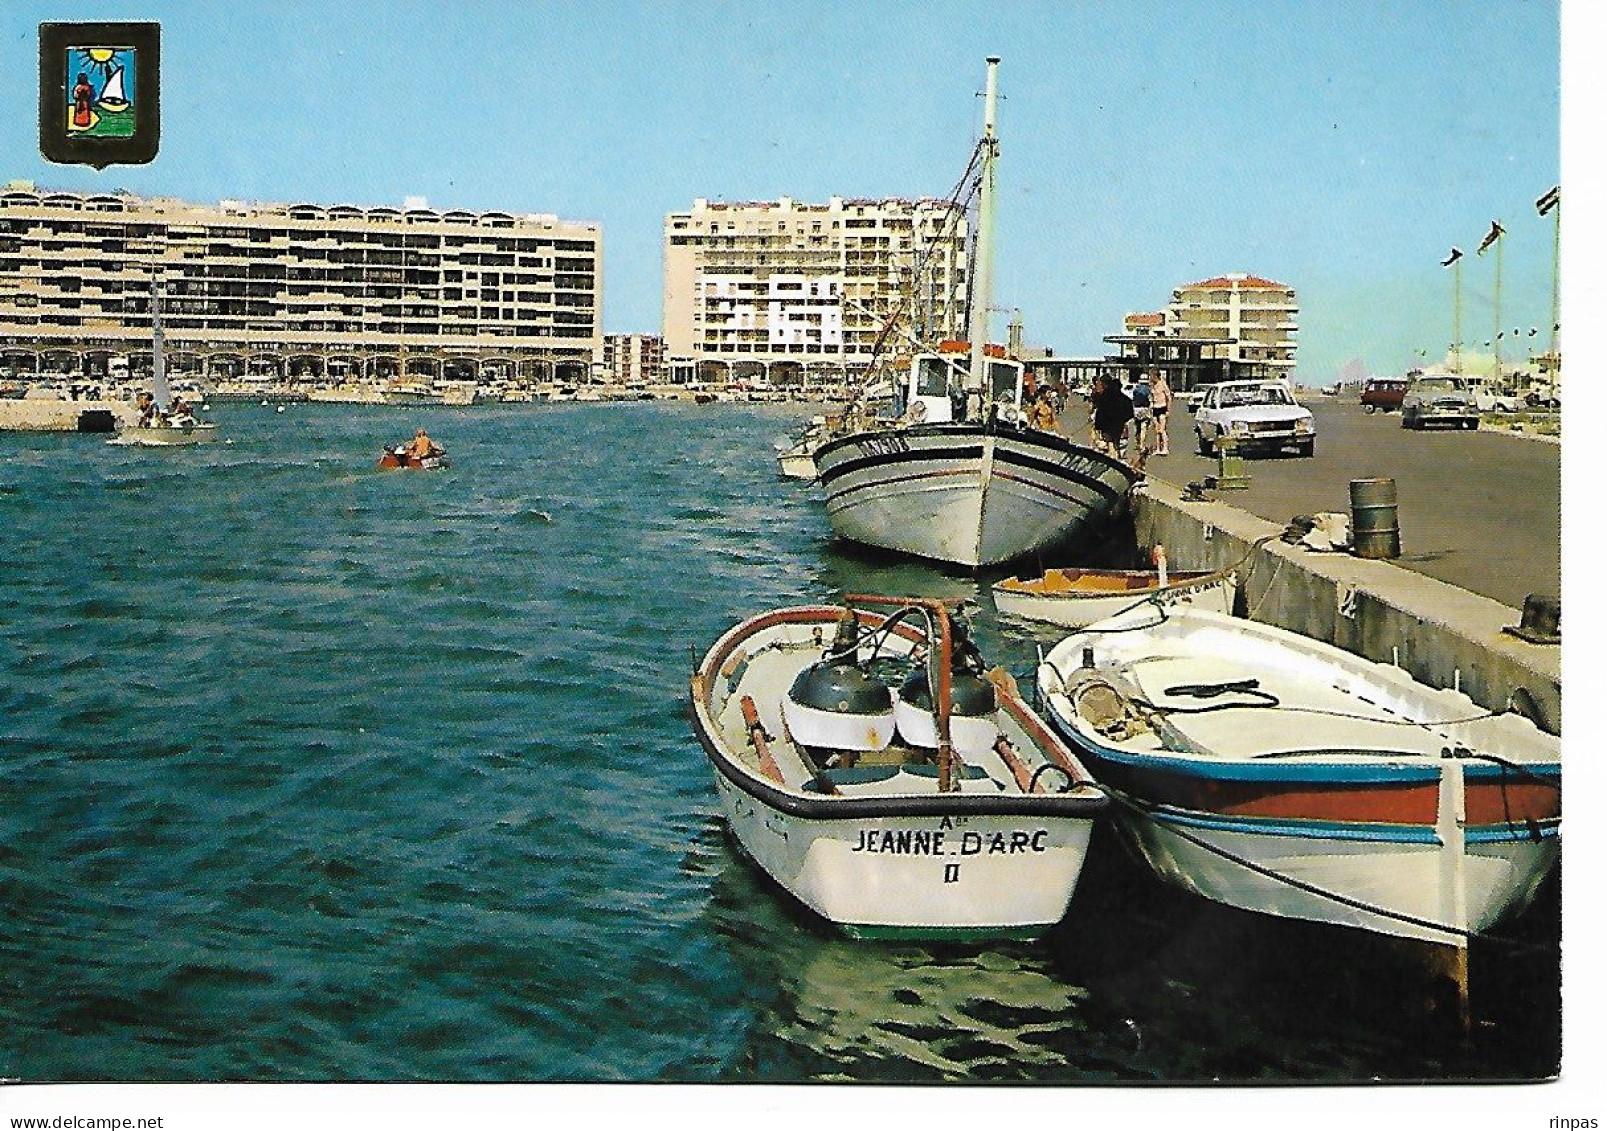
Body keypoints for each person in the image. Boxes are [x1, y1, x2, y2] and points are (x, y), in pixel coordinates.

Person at [1089, 374, 1133, 460]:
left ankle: (1113, 460)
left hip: (1107, 424)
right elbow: (1129, 411)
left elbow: (1100, 412)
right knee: (1116, 442)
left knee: (1110, 443)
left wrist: (1099, 425)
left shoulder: (1105, 397)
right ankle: (1117, 458)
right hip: (1119, 422)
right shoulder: (1122, 397)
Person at [1149, 369, 1173, 456]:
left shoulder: (1162, 384)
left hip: (1162, 407)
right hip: (1155, 408)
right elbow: (1152, 397)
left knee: (1162, 429)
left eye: (1152, 376)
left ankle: (1165, 448)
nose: (1151, 378)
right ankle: (1158, 448)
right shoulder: (1152, 385)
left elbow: (1169, 397)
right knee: (1157, 429)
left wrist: (1168, 410)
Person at [1131, 374, 1154, 462]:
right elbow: (1150, 401)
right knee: (1144, 427)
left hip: (1136, 409)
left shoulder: (1136, 390)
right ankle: (1142, 445)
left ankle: (1137, 442)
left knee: (1137, 427)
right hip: (1145, 409)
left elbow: (1133, 399)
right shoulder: (1148, 390)